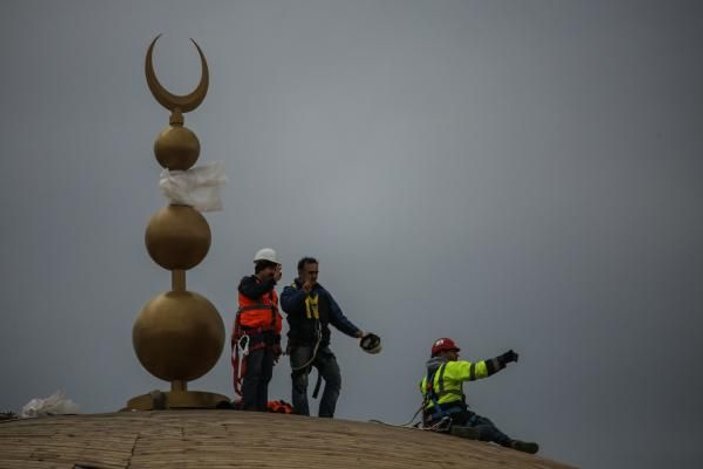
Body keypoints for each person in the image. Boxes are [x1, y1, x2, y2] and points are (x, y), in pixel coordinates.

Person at [419, 337, 539, 454]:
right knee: (486, 426)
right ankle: (509, 442)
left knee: (480, 424)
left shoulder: (425, 380)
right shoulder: (451, 367)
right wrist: (503, 359)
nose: (457, 355)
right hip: (454, 416)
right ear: (443, 352)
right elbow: (478, 370)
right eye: (453, 351)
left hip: (434, 421)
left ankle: (455, 430)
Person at [280, 256, 364, 418]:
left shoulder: (323, 294)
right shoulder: (290, 291)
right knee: (300, 383)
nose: (313, 276)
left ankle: (325, 419)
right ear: (300, 272)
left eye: (316, 272)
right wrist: (303, 292)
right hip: (301, 345)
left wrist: (358, 333)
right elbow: (287, 306)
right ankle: (303, 421)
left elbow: (338, 318)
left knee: (334, 379)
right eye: (310, 272)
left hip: (321, 346)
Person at [231, 248, 283, 411]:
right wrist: (272, 282)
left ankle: (260, 409)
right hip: (253, 335)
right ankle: (249, 408)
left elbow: (274, 317)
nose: (272, 274)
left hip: (268, 337)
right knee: (253, 372)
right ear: (262, 267)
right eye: (270, 269)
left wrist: (277, 342)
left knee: (265, 374)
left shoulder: (271, 293)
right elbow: (254, 293)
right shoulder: (247, 283)